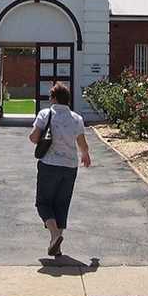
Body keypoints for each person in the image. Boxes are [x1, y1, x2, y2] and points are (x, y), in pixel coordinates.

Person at [29, 82, 91, 256]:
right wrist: (85, 155)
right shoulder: (76, 118)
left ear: (54, 98)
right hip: (70, 166)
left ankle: (55, 234)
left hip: (49, 164)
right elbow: (82, 143)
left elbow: (34, 138)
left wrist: (37, 136)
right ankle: (56, 244)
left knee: (43, 203)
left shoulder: (45, 114)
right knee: (62, 204)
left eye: (50, 96)